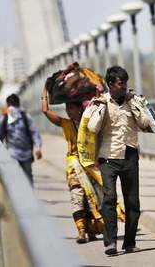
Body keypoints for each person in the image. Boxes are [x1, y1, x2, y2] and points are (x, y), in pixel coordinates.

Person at [86, 66, 150, 255]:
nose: (123, 88)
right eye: (120, 84)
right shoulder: (100, 102)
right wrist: (102, 107)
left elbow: (146, 124)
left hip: (130, 156)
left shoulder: (134, 101)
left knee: (132, 202)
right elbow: (92, 128)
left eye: (125, 83)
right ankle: (111, 241)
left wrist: (135, 105)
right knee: (109, 199)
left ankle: (129, 242)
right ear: (111, 85)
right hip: (108, 158)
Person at [41, 86, 107, 243]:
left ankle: (92, 229)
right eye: (67, 109)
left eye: (71, 108)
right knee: (77, 196)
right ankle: (82, 231)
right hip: (74, 167)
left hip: (91, 166)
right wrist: (45, 92)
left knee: (94, 197)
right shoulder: (65, 124)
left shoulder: (91, 122)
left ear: (80, 109)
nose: (69, 112)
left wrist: (98, 92)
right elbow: (45, 111)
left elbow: (101, 108)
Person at [0, 94, 42, 185]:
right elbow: (0, 135)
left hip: (26, 154)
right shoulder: (5, 118)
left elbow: (34, 132)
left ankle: (29, 198)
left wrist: (38, 147)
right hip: (12, 154)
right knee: (14, 179)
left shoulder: (26, 117)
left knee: (28, 178)